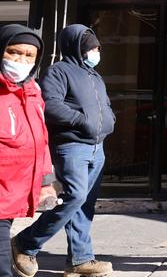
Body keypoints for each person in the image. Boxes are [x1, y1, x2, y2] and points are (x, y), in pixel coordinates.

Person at [13, 24, 115, 277]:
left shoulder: (94, 76)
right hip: (72, 146)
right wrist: (82, 121)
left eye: (97, 47)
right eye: (91, 47)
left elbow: (106, 107)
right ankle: (26, 243)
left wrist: (110, 119)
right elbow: (51, 106)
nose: (96, 51)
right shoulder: (58, 72)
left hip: (97, 148)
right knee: (75, 197)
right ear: (77, 47)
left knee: (85, 205)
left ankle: (80, 260)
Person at [0, 25, 56, 277]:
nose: (21, 60)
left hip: (15, 191)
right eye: (13, 52)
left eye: (28, 55)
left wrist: (45, 182)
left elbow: (40, 140)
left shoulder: (32, 92)